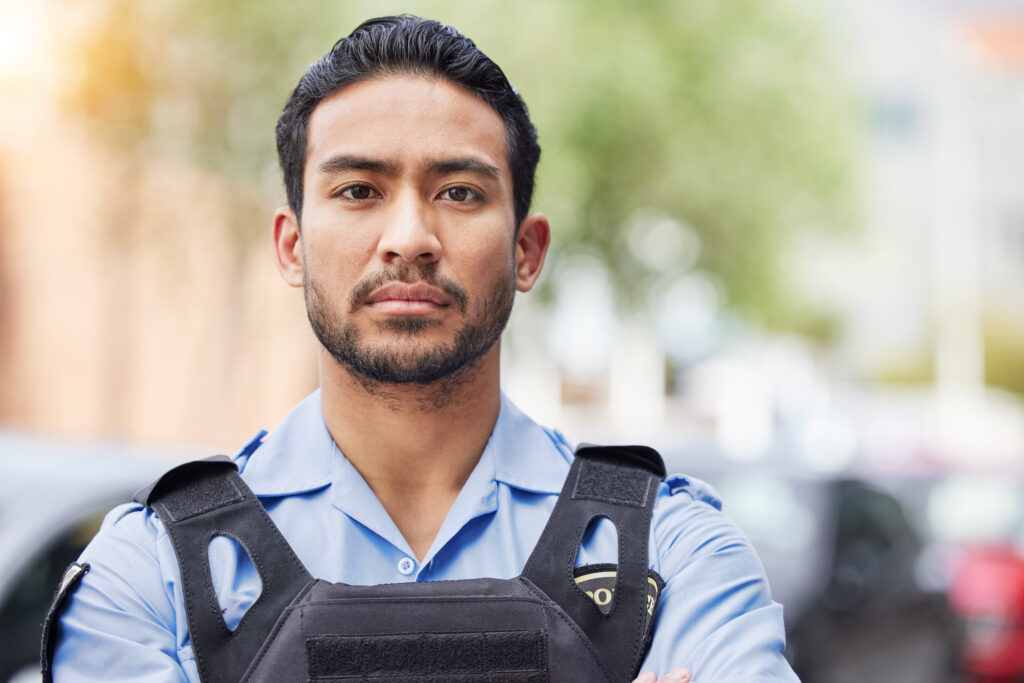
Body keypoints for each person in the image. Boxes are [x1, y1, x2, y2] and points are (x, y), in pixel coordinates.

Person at [46, 15, 797, 683]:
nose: (409, 238)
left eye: (460, 192)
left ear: (527, 251)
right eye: (359, 191)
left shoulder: (676, 553)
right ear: (292, 247)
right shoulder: (151, 575)